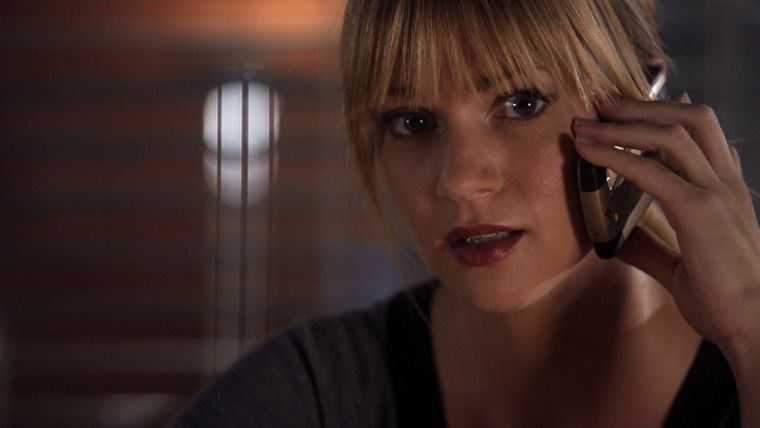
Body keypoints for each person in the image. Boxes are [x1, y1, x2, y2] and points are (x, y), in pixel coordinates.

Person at [174, 0, 760, 426]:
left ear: (642, 106)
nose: (458, 182)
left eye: (521, 103)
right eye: (412, 122)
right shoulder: (308, 396)